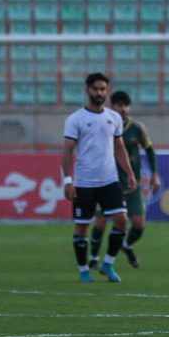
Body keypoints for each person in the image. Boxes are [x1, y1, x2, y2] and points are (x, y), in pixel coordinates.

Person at [62, 73, 138, 283]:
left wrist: (130, 174)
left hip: (110, 180)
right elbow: (67, 151)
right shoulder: (76, 119)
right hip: (84, 183)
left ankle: (108, 264)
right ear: (87, 90)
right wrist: (68, 180)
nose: (99, 93)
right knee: (82, 227)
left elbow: (119, 147)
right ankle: (84, 270)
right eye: (95, 89)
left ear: (107, 91)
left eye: (103, 89)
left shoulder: (113, 118)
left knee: (122, 221)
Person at [88, 91, 161, 271]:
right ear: (111, 106)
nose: (123, 109)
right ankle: (93, 257)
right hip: (107, 184)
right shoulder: (103, 126)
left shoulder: (137, 128)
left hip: (132, 184)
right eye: (119, 105)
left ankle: (126, 245)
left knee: (138, 224)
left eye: (126, 105)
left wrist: (154, 174)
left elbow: (149, 150)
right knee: (101, 223)